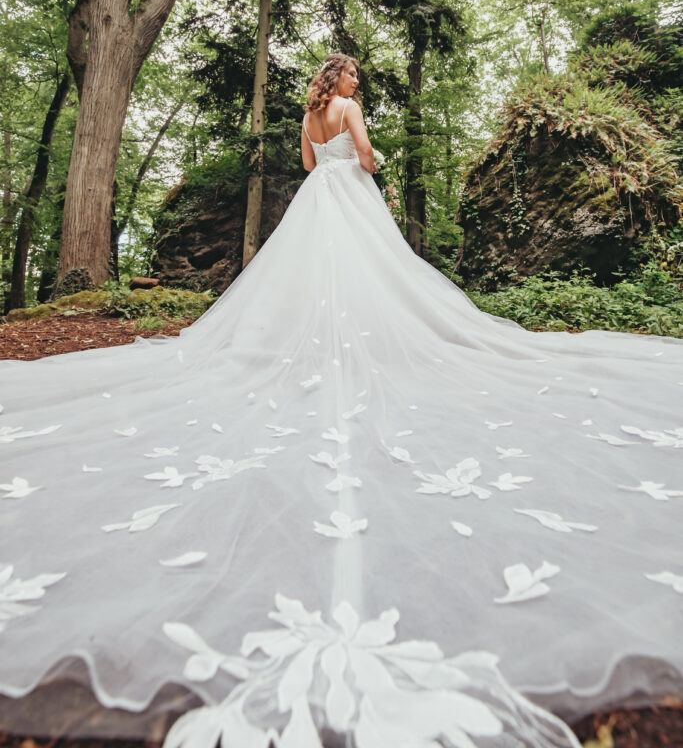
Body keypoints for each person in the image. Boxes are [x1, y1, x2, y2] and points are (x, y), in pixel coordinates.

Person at [1, 52, 682, 748]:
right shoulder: (351, 111)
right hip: (349, 199)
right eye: (353, 74)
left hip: (315, 204)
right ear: (343, 81)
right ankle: (367, 350)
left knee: (311, 286)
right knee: (371, 282)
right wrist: (377, 166)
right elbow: (363, 159)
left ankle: (313, 350)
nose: (357, 84)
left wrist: (337, 160)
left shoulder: (305, 115)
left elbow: (308, 168)